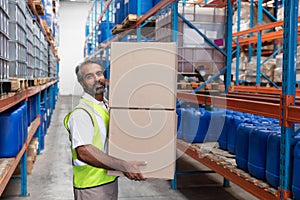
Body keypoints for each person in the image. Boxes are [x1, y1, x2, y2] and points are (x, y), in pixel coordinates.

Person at [64, 59, 146, 200]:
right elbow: (83, 152)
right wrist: (123, 165)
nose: (97, 79)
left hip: (109, 179)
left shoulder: (106, 106)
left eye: (99, 73)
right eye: (89, 77)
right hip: (90, 186)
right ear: (82, 83)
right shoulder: (81, 113)